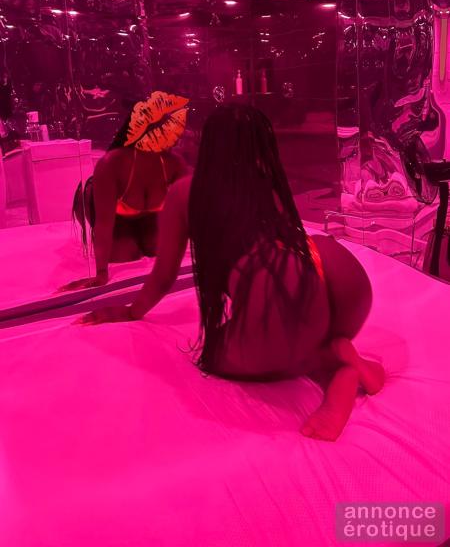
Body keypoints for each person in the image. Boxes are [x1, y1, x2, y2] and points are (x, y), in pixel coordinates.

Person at [81, 104, 384, 441]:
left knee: (216, 357)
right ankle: (336, 349)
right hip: (337, 270)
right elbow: (288, 248)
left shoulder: (184, 191)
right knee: (298, 322)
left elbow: (164, 276)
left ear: (209, 143)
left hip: (274, 284)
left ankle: (330, 363)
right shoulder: (267, 183)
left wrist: (131, 310)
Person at [60, 92, 189, 292]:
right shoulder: (112, 165)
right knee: (126, 254)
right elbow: (104, 224)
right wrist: (101, 273)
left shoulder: (173, 164)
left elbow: (194, 209)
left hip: (146, 215)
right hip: (105, 209)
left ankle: (140, 232)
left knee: (157, 248)